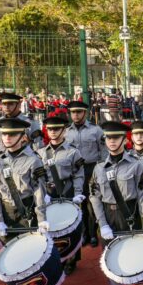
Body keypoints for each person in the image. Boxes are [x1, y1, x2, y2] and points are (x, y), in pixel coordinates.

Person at [89, 121, 143, 285]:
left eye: (116, 138)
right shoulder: (98, 168)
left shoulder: (137, 166)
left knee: (133, 260)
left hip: (131, 214)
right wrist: (103, 224)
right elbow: (94, 198)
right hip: (109, 218)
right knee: (113, 262)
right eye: (108, 138)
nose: (111, 141)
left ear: (124, 140)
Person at [0, 117, 51, 285]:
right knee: (12, 260)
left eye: (12, 134)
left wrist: (41, 219)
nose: (7, 138)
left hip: (28, 213)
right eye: (4, 134)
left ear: (22, 137)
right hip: (7, 214)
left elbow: (39, 192)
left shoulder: (33, 160)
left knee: (30, 259)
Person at [38, 116, 86, 275]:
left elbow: (79, 174)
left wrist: (78, 194)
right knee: (53, 225)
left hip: (68, 191)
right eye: (50, 129)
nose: (52, 132)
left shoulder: (73, 151)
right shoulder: (40, 153)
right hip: (48, 193)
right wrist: (42, 193)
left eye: (56, 129)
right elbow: (38, 177)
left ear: (64, 131)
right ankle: (56, 257)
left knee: (70, 226)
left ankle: (72, 259)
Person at [64, 100, 104, 247]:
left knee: (91, 203)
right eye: (73, 112)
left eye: (78, 112)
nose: (75, 115)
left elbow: (103, 150)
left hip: (90, 168)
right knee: (76, 202)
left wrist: (101, 168)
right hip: (73, 170)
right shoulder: (66, 131)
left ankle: (93, 234)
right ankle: (83, 233)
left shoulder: (95, 130)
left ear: (85, 113)